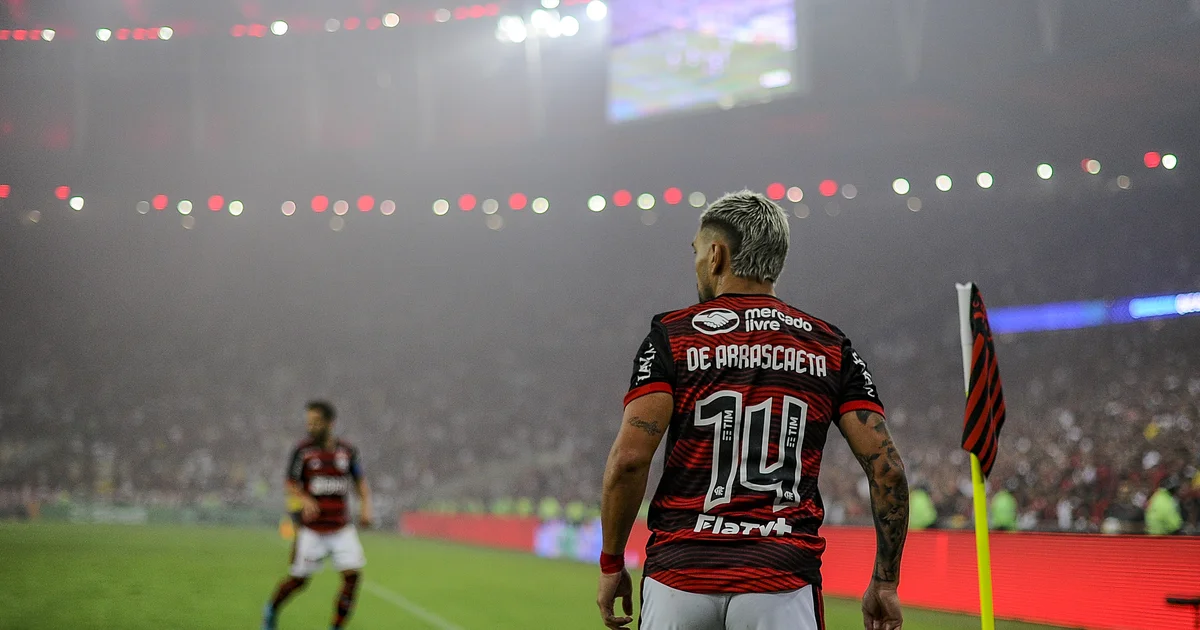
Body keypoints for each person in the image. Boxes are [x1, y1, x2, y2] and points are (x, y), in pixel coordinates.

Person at [597, 191, 909, 630]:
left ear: (717, 255)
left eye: (697, 250)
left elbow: (629, 461)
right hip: (780, 580)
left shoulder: (672, 336)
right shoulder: (829, 345)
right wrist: (885, 581)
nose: (696, 262)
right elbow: (888, 470)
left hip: (680, 577)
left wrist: (612, 562)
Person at [263, 401, 373, 630]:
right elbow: (291, 483)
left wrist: (365, 508)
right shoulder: (303, 451)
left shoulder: (348, 451)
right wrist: (304, 499)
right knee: (299, 581)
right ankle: (271, 609)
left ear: (330, 423)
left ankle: (336, 627)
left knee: (352, 576)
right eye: (309, 422)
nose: (310, 426)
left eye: (316, 422)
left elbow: (359, 481)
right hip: (312, 529)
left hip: (341, 527)